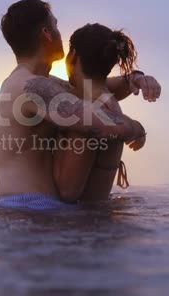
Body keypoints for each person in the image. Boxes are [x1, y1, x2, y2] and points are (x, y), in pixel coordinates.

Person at [0, 0, 160, 210]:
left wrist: (136, 79)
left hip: (30, 209)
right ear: (46, 33)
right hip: (31, 211)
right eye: (56, 25)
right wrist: (137, 129)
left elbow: (90, 87)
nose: (60, 33)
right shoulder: (30, 88)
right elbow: (99, 122)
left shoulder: (36, 84)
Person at [54, 23, 143, 204]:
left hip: (80, 226)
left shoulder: (90, 110)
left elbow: (68, 191)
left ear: (72, 56)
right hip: (100, 221)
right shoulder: (107, 100)